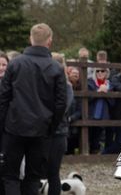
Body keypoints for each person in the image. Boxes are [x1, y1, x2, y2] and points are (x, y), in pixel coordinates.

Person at [0, 23, 68, 195]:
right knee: (33, 177)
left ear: (30, 39)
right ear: (49, 41)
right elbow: (61, 103)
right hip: (42, 130)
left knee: (11, 176)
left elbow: (3, 98)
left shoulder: (15, 65)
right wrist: (51, 127)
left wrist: (3, 126)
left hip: (14, 128)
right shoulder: (56, 69)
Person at [46, 53, 74, 195]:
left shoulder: (67, 87)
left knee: (53, 172)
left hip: (58, 132)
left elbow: (63, 108)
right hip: (46, 132)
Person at [86, 67, 111, 153]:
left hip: (104, 115)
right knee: (89, 136)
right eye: (97, 71)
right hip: (91, 115)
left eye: (102, 71)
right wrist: (98, 92)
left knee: (99, 137)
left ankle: (97, 152)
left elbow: (113, 103)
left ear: (106, 73)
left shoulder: (109, 84)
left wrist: (106, 93)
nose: (100, 73)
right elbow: (86, 99)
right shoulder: (89, 82)